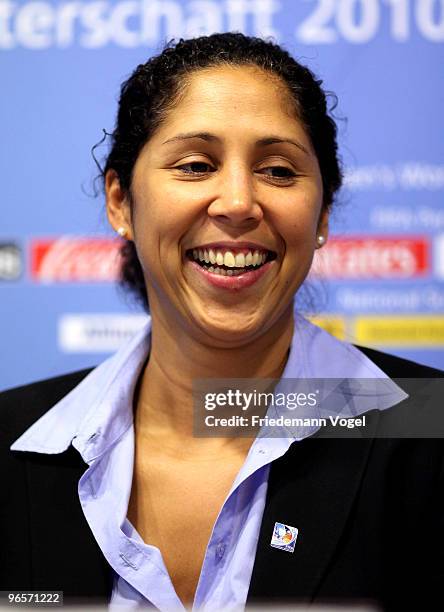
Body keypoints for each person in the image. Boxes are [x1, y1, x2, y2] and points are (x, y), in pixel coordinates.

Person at [1, 32, 443, 611]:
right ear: (120, 201)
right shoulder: (10, 442)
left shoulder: (427, 430)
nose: (237, 202)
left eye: (279, 171)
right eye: (194, 165)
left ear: (323, 215)